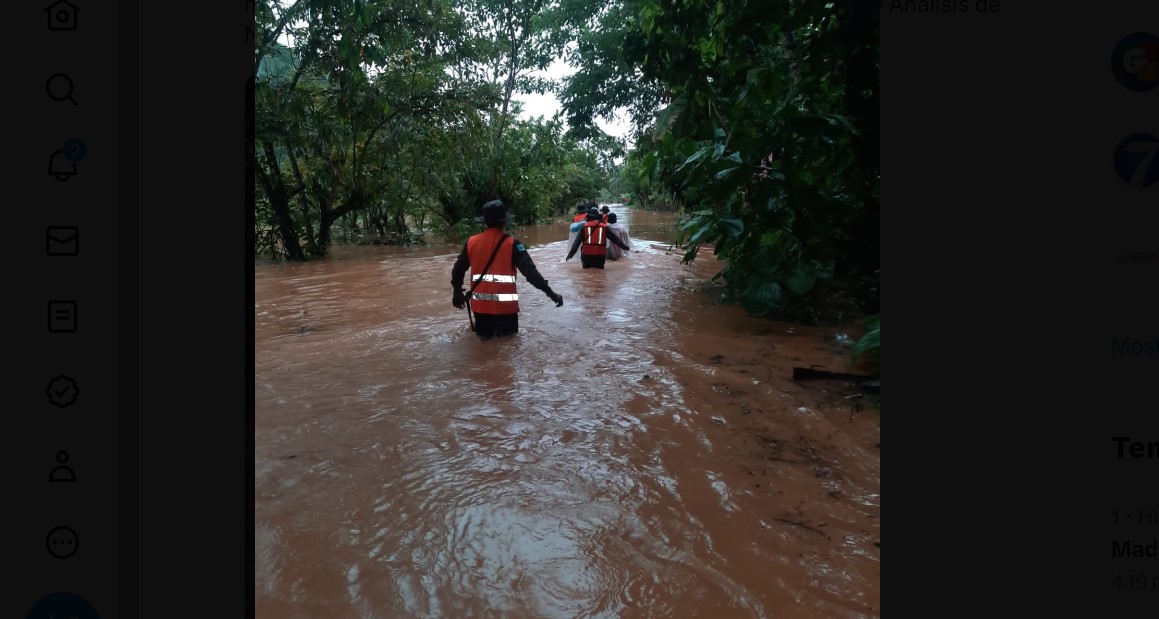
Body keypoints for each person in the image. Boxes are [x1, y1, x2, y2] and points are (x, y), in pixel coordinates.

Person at [452, 200, 564, 339]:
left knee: (485, 350)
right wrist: (552, 294)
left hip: (481, 309)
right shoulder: (513, 245)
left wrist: (457, 292)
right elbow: (531, 274)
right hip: (506, 311)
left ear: (485, 223)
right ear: (504, 222)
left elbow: (457, 270)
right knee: (508, 350)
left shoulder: (471, 243)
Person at [565, 207, 631, 269]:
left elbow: (576, 244)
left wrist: (569, 255)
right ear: (598, 217)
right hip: (600, 256)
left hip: (586, 256)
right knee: (600, 276)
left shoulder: (584, 227)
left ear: (588, 217)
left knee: (587, 276)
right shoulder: (604, 227)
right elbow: (615, 239)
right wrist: (625, 247)